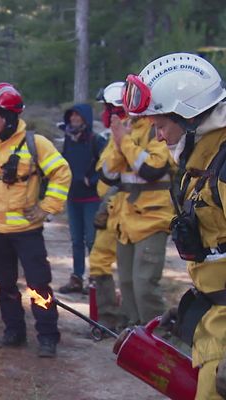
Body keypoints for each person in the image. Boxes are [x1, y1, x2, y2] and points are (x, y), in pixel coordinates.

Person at [123, 52, 226, 399]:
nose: (158, 135)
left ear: (191, 117)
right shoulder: (204, 165)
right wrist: (195, 301)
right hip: (215, 319)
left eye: (162, 124)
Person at [0, 82, 71, 357]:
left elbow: (62, 173)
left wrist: (47, 207)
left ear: (10, 116)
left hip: (27, 231)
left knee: (38, 285)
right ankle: (14, 331)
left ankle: (48, 336)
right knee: (5, 286)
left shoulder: (35, 144)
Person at [98, 71, 176, 329]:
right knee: (128, 283)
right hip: (126, 221)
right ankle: (135, 333)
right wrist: (121, 140)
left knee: (145, 286)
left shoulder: (158, 130)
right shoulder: (125, 129)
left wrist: (125, 142)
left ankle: (162, 338)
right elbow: (108, 174)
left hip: (153, 219)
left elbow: (153, 168)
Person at [87, 82, 128, 332]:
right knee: (99, 260)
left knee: (130, 268)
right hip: (112, 205)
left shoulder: (133, 133)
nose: (104, 113)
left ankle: (131, 322)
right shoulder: (115, 135)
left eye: (107, 107)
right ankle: (108, 318)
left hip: (131, 208)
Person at [58, 103, 107, 294]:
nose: (73, 119)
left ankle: (94, 280)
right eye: (71, 117)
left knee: (92, 240)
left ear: (85, 119)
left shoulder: (97, 140)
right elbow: (64, 162)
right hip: (73, 198)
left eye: (77, 117)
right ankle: (76, 278)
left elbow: (107, 165)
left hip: (91, 199)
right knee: (76, 240)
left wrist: (91, 180)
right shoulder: (69, 139)